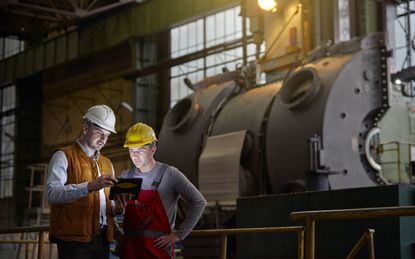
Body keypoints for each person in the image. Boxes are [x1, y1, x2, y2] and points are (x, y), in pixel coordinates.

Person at [115, 122, 207, 259]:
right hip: (130, 249)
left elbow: (199, 202)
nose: (135, 156)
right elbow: (118, 217)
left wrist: (178, 234)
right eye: (131, 151)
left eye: (140, 150)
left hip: (158, 250)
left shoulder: (170, 174)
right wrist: (118, 210)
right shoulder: (125, 176)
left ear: (153, 149)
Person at [46, 104, 120, 259]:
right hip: (73, 241)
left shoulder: (107, 164)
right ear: (86, 128)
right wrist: (90, 186)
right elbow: (52, 194)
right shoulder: (63, 156)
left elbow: (109, 204)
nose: (103, 139)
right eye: (99, 133)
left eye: (107, 135)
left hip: (103, 239)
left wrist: (118, 208)